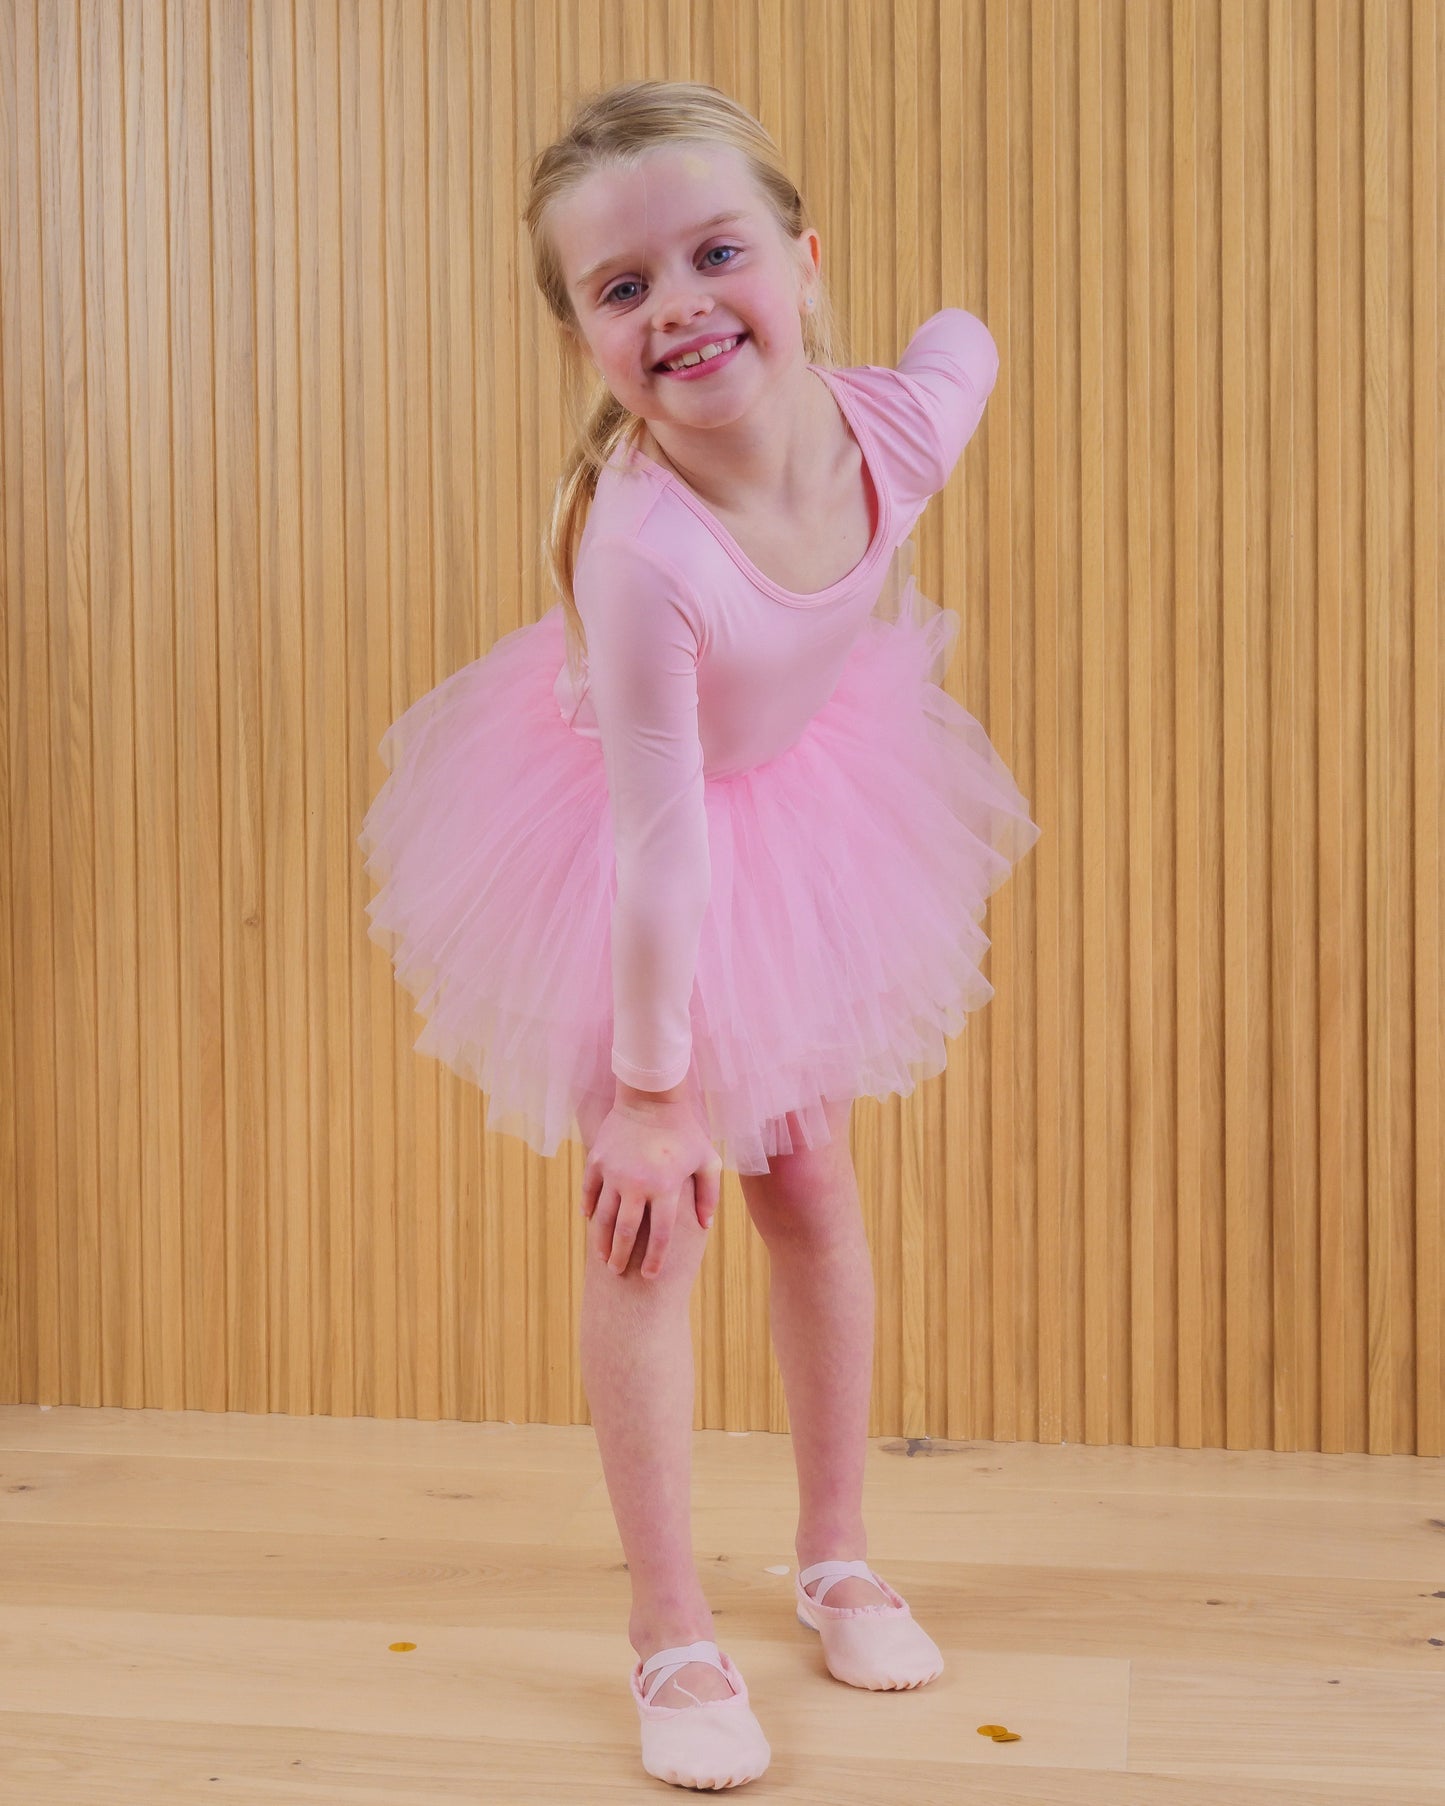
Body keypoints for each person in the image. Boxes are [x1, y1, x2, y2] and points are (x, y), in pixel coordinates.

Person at [358, 77, 1041, 1791]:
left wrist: (917, 346)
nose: (676, 306)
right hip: (624, 844)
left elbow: (962, 341)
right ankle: (669, 1629)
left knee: (807, 1181)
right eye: (619, 286)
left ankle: (833, 1550)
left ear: (806, 263)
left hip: (800, 796)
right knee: (648, 1220)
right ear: (585, 336)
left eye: (716, 253)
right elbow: (658, 858)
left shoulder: (898, 426)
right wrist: (651, 1094)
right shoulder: (645, 551)